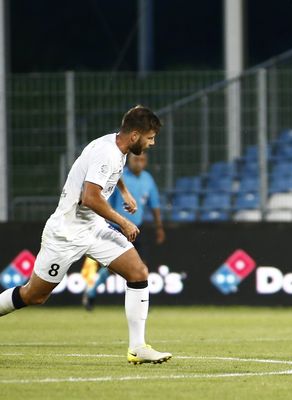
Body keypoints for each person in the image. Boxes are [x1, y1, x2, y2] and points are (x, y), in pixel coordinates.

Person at [0, 105, 172, 365]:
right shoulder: (107, 153)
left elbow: (113, 172)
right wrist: (123, 221)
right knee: (34, 295)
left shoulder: (115, 144)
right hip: (66, 233)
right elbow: (90, 197)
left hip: (94, 228)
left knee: (138, 273)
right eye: (150, 137)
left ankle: (138, 347)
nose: (152, 143)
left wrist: (124, 192)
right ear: (135, 135)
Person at [82, 152, 166, 311]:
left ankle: (139, 302)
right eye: (136, 159)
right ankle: (91, 292)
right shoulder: (121, 179)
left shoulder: (148, 179)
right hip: (117, 228)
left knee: (141, 267)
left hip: (137, 228)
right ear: (130, 161)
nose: (139, 163)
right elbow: (106, 202)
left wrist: (159, 227)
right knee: (115, 268)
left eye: (142, 160)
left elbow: (154, 205)